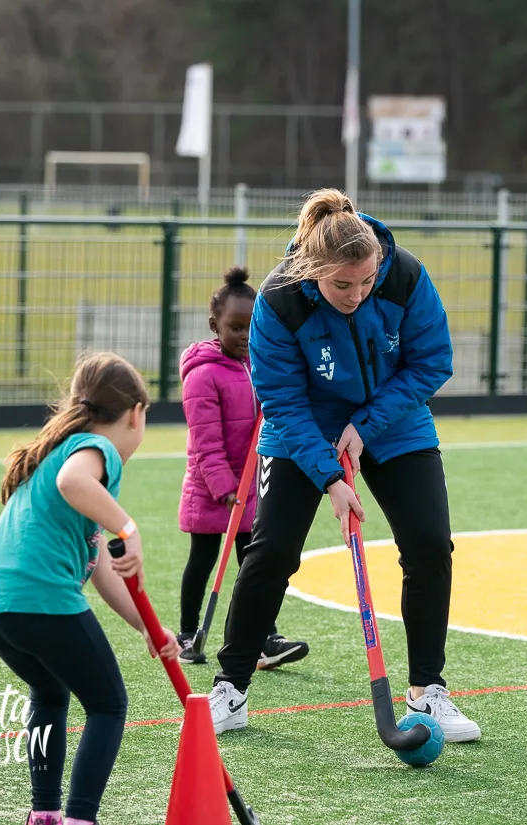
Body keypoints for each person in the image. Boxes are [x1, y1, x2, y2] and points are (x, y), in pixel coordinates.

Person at [207, 188, 481, 743]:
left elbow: (433, 362)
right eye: (341, 285)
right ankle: (231, 688)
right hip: (302, 427)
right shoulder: (280, 300)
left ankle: (428, 691)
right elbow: (281, 400)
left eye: (365, 281)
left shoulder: (403, 275)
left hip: (394, 420)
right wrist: (329, 476)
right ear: (314, 272)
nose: (356, 294)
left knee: (430, 545)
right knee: (272, 551)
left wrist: (367, 426)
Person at [0, 352, 180, 825]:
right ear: (136, 414)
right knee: (108, 704)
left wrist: (148, 626)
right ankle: (80, 819)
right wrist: (130, 528)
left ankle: (44, 813)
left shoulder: (58, 449)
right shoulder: (93, 451)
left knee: (50, 692)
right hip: (41, 598)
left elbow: (101, 567)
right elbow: (73, 483)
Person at [176, 267, 308, 670]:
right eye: (235, 327)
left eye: (252, 327)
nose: (245, 336)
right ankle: (187, 632)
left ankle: (264, 636)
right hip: (213, 488)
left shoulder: (258, 367)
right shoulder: (202, 375)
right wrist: (224, 487)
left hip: (251, 485)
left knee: (254, 562)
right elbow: (206, 441)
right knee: (202, 559)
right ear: (215, 325)